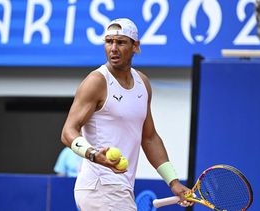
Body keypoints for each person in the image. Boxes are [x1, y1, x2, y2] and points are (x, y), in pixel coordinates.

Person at [61, 18, 193, 210]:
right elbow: (68, 132)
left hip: (121, 187)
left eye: (121, 42)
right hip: (100, 185)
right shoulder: (96, 81)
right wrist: (94, 155)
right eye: (108, 42)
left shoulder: (143, 83)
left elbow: (149, 138)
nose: (113, 48)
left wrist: (173, 182)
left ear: (135, 46)